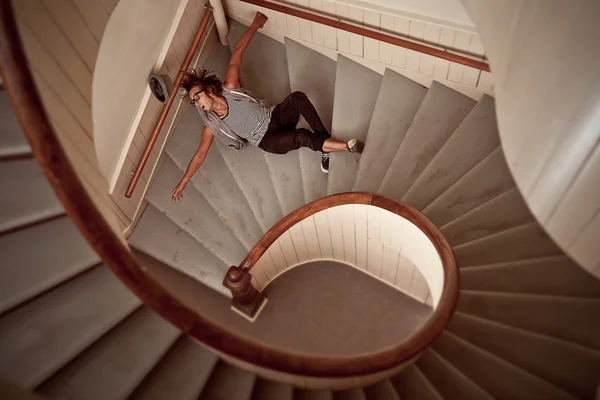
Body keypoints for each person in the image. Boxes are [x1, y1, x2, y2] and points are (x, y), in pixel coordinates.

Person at [170, 12, 363, 202]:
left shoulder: (230, 87)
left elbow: (237, 51)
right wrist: (183, 182)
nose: (197, 103)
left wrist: (255, 24)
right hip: (267, 139)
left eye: (197, 97)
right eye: (193, 101)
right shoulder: (211, 126)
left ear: (209, 90)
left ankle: (325, 146)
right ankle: (345, 146)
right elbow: (200, 155)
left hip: (274, 116)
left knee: (297, 98)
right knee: (302, 136)